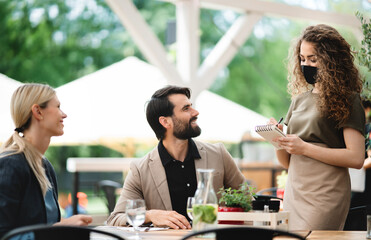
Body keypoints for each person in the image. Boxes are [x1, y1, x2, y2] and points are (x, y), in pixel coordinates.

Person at [106, 85, 246, 229]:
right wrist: (150, 215)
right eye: (186, 109)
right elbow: (116, 218)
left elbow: (248, 201)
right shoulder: (140, 170)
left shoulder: (219, 154)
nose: (195, 112)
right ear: (165, 122)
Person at [269, 24, 365, 230]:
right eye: (302, 59)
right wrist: (277, 139)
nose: (306, 65)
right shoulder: (298, 100)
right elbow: (287, 161)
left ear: (332, 61)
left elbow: (356, 158)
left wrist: (304, 148)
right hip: (295, 190)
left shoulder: (349, 99)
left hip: (326, 194)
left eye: (313, 59)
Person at [0, 84, 92, 238]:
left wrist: (63, 226)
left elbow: (44, 225)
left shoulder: (44, 166)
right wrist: (60, 228)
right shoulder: (10, 165)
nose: (64, 115)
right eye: (58, 106)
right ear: (38, 112)